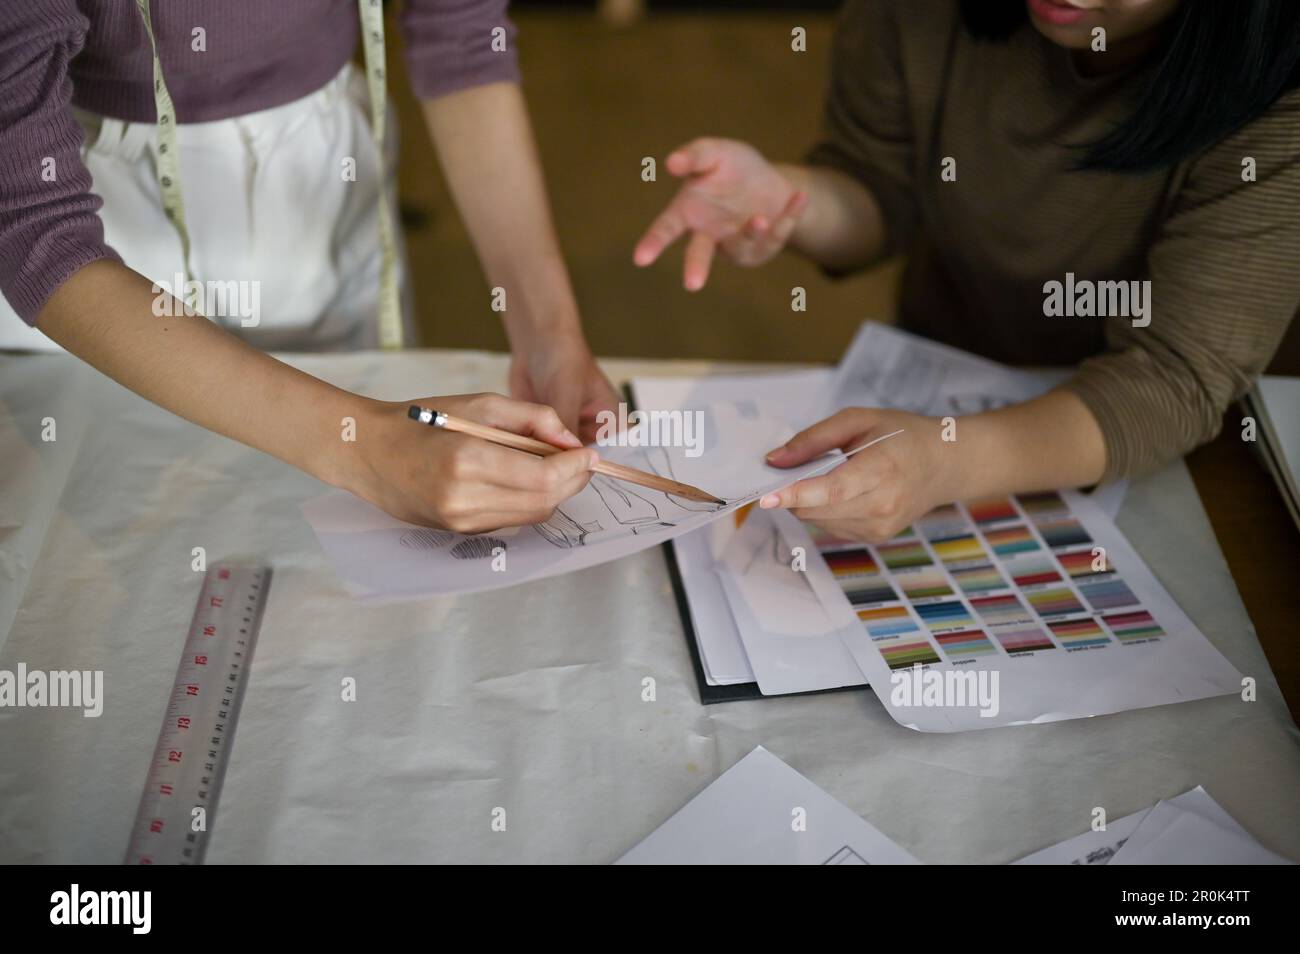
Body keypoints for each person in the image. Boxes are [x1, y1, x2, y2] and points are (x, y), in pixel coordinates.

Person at [635, 0, 1300, 543]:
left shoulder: (1277, 101)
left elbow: (1172, 378)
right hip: (936, 368)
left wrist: (947, 461)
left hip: (1150, 454)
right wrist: (785, 201)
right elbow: (879, 186)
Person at [0, 1, 617, 532]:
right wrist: (368, 449)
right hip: (96, 244)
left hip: (324, 171)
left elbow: (460, 31)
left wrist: (549, 336)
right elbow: (36, 229)